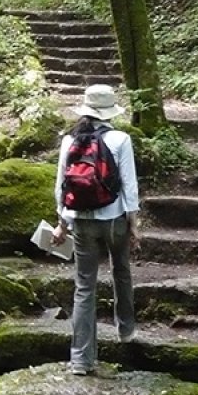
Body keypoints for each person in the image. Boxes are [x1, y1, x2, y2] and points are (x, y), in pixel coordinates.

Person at [51, 84, 140, 376]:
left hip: (81, 221)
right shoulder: (120, 139)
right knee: (121, 270)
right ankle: (125, 329)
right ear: (110, 112)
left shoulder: (69, 140)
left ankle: (81, 359)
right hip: (114, 219)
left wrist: (62, 223)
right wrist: (134, 225)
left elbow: (61, 186)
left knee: (84, 286)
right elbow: (129, 186)